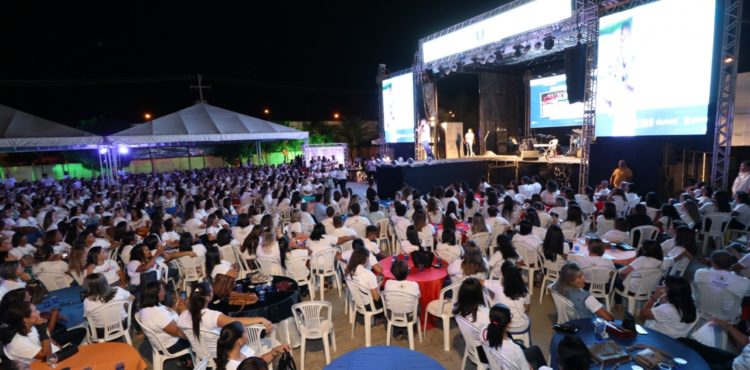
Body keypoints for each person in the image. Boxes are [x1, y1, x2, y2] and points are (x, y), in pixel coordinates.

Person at [177, 282, 273, 344]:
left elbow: (182, 335)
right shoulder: (212, 316)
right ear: (208, 297)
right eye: (212, 291)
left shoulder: (183, 315)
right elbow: (236, 321)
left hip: (202, 357)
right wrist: (261, 319)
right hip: (222, 356)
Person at [137, 281, 192, 356]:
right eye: (162, 291)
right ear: (155, 294)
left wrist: (179, 300)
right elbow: (180, 333)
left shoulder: (147, 308)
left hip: (165, 341)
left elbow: (168, 312)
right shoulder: (158, 314)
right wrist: (184, 312)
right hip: (172, 345)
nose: (165, 292)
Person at [549, 262, 614, 320]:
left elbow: (549, 287)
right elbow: (608, 318)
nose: (584, 278)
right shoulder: (586, 298)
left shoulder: (555, 286)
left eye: (582, 275)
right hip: (585, 324)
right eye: (580, 277)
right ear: (571, 281)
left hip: (569, 319)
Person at [215, 321, 290, 370]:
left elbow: (258, 362)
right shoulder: (234, 367)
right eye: (245, 332)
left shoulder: (243, 349)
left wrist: (273, 352)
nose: (247, 332)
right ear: (240, 341)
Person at [82, 273, 135, 338]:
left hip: (102, 332)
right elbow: (132, 298)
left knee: (84, 324)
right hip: (123, 325)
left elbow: (87, 317)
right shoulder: (118, 290)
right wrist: (125, 306)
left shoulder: (87, 301)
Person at [481, 303, 531, 370]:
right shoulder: (515, 349)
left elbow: (482, 356)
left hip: (493, 365)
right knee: (536, 351)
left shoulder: (483, 331)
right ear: (508, 324)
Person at [486, 262, 530, 333]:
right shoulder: (525, 290)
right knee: (527, 319)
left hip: (502, 325)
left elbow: (480, 282)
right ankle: (527, 342)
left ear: (503, 276)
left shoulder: (497, 285)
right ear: (519, 276)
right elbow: (527, 309)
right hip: (521, 326)